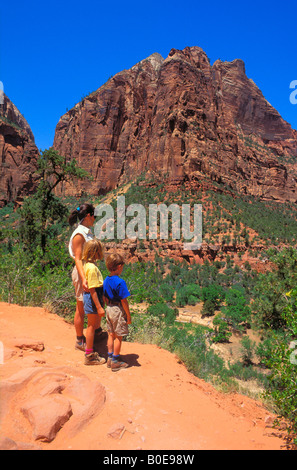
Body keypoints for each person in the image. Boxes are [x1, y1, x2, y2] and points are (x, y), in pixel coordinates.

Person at [68, 203, 101, 351]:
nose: (95, 218)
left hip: (87, 270)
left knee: (86, 305)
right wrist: (84, 278)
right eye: (94, 215)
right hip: (82, 272)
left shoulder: (86, 232)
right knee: (81, 308)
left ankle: (95, 332)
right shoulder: (79, 235)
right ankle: (79, 340)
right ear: (88, 216)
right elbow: (78, 259)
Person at [103, 253, 132, 372]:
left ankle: (110, 358)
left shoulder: (106, 280)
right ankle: (115, 361)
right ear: (119, 266)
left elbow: (104, 297)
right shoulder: (120, 282)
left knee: (110, 334)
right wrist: (128, 316)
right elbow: (124, 301)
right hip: (118, 309)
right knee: (118, 337)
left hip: (109, 308)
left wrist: (107, 307)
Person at [82, 238, 106, 365]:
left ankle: (92, 346)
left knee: (94, 324)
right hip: (93, 299)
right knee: (91, 326)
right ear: (95, 252)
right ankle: (89, 355)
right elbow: (92, 289)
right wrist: (99, 307)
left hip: (93, 297)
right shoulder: (91, 268)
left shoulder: (88, 265)